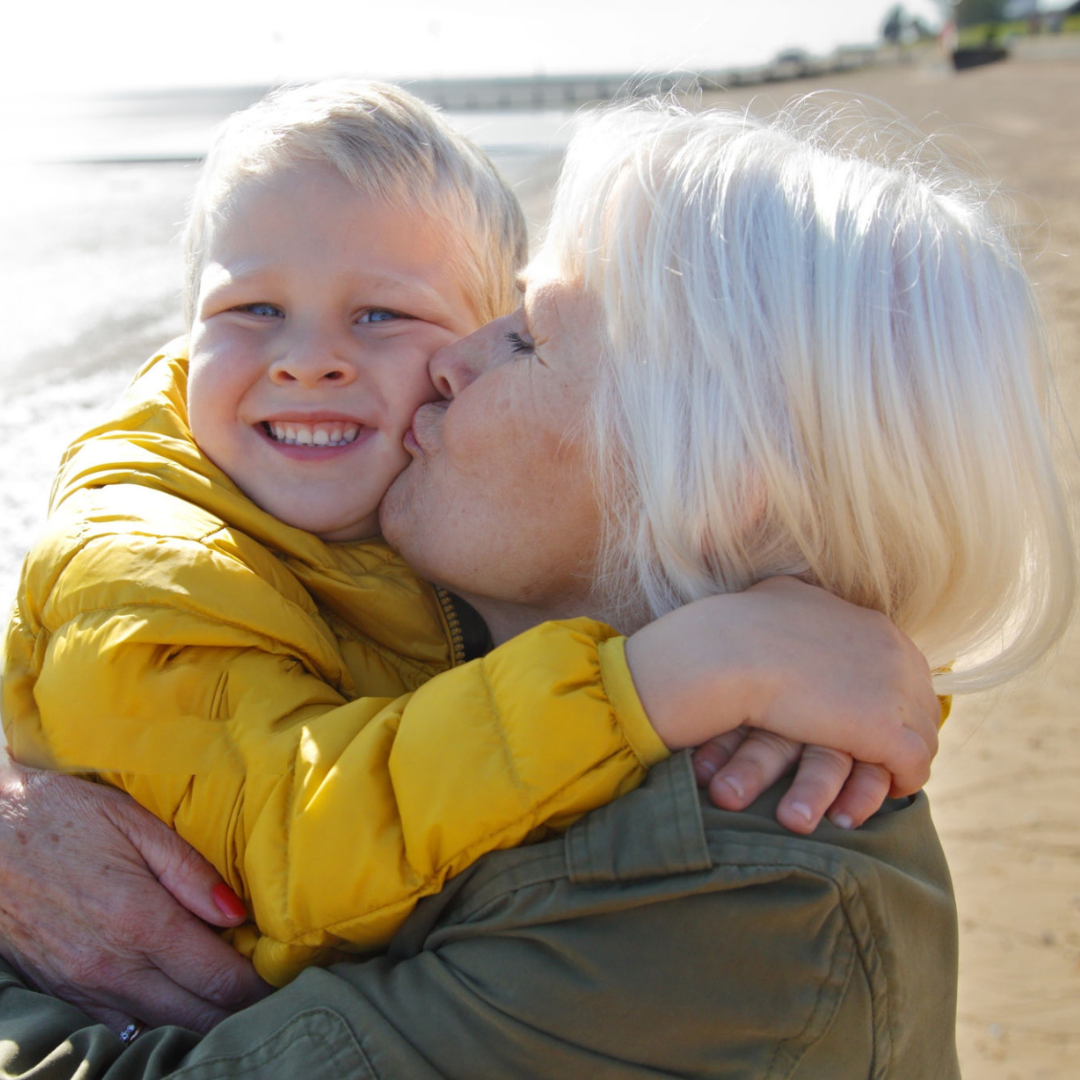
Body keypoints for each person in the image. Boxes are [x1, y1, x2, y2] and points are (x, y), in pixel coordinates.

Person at [1, 93, 1072, 1077]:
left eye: (527, 334)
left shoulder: (740, 916)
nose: (453, 361)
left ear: (716, 469)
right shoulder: (405, 601)